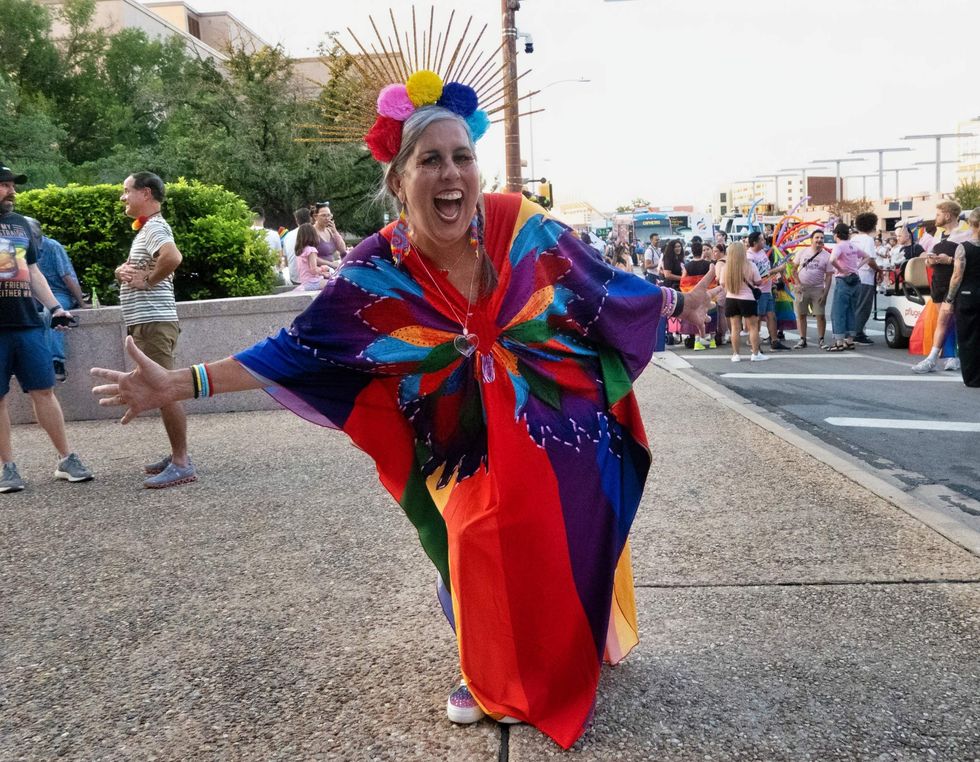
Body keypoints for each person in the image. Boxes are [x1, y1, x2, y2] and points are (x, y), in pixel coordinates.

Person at [91, 105, 718, 750]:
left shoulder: (518, 224)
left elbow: (600, 287)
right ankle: (491, 675)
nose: (452, 174)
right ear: (398, 182)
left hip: (556, 417)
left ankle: (561, 653)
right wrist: (180, 383)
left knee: (566, 534)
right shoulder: (376, 270)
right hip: (458, 439)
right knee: (472, 541)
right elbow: (292, 350)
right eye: (431, 160)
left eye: (462, 157)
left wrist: (677, 302)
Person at [0, 163, 93, 492]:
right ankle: (7, 468)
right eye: (5, 185)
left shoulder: (20, 225)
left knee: (44, 390)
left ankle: (66, 458)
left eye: (12, 185)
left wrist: (55, 307)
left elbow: (34, 272)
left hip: (27, 323)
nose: (12, 191)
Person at [115, 172, 194, 488]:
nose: (123, 197)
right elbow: (142, 266)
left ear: (145, 193)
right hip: (149, 323)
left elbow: (172, 257)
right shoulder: (148, 229)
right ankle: (178, 454)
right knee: (164, 389)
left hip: (154, 324)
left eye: (126, 191)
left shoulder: (155, 227)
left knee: (166, 389)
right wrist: (122, 271)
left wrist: (147, 281)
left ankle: (181, 462)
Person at [26, 217, 89, 382]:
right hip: (33, 294)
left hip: (58, 292)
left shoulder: (53, 247)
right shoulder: (21, 248)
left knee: (51, 312)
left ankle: (56, 362)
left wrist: (81, 303)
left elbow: (67, 277)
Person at [911, 200, 971, 374]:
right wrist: (931, 261)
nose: (935, 218)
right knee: (944, 321)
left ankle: (936, 358)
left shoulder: (965, 234)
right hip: (938, 283)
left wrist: (949, 260)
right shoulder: (939, 236)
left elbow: (970, 262)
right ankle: (951, 356)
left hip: (955, 284)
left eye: (938, 214)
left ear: (947, 215)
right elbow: (930, 264)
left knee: (949, 321)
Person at [827, 222, 873, 352]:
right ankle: (850, 340)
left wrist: (841, 269)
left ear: (836, 234)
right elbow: (867, 257)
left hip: (843, 279)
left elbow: (832, 260)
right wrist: (857, 267)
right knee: (852, 311)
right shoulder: (853, 246)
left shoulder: (839, 246)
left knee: (838, 311)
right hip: (856, 279)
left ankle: (839, 342)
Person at [947, 208, 980, 386]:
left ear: (972, 224)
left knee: (967, 338)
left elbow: (957, 276)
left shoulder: (963, 248)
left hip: (968, 296)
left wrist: (949, 299)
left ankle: (973, 378)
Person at [716, 241, 764, 362]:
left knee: (735, 328)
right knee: (753, 327)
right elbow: (758, 281)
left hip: (731, 299)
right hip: (747, 299)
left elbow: (722, 283)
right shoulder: (750, 265)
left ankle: (736, 354)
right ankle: (755, 353)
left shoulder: (726, 267)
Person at [746, 231, 789, 350]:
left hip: (767, 289)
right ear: (755, 242)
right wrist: (777, 269)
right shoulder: (749, 256)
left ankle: (774, 341)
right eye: (761, 240)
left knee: (772, 315)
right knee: (757, 318)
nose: (764, 241)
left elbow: (766, 268)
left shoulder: (761, 252)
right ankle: (754, 344)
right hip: (758, 291)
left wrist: (773, 279)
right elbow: (758, 275)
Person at [792, 230, 833, 349]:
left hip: (817, 289)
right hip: (802, 289)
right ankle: (802, 339)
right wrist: (798, 283)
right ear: (812, 239)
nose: (819, 240)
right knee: (801, 314)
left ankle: (821, 339)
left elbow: (829, 276)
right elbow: (793, 270)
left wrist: (825, 293)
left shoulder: (827, 256)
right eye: (817, 238)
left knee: (820, 315)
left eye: (821, 238)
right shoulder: (802, 252)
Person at [850, 212, 882, 345]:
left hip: (852, 275)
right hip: (865, 276)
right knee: (864, 306)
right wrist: (879, 270)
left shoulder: (852, 239)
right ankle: (857, 333)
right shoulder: (868, 240)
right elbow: (869, 260)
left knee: (854, 306)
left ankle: (853, 331)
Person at [292, 223, 330, 291]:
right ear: (313, 235)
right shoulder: (311, 250)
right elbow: (313, 270)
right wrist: (323, 268)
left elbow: (308, 269)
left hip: (305, 282)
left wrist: (322, 273)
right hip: (312, 283)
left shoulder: (301, 251)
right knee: (335, 284)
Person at [250, 207, 284, 283]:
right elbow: (279, 260)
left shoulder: (246, 233)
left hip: (252, 278)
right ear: (264, 219)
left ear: (251, 218)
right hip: (272, 276)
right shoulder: (275, 234)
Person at [282, 207, 313, 285]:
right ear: (311, 218)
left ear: (296, 220)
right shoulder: (314, 232)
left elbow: (286, 260)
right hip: (311, 278)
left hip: (294, 278)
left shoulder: (288, 235)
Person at [313, 202, 348, 268]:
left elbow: (343, 250)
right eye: (323, 215)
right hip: (319, 271)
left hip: (331, 269)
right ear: (315, 217)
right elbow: (311, 257)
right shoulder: (312, 232)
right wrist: (331, 264)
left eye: (329, 215)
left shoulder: (330, 230)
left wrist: (335, 232)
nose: (327, 218)